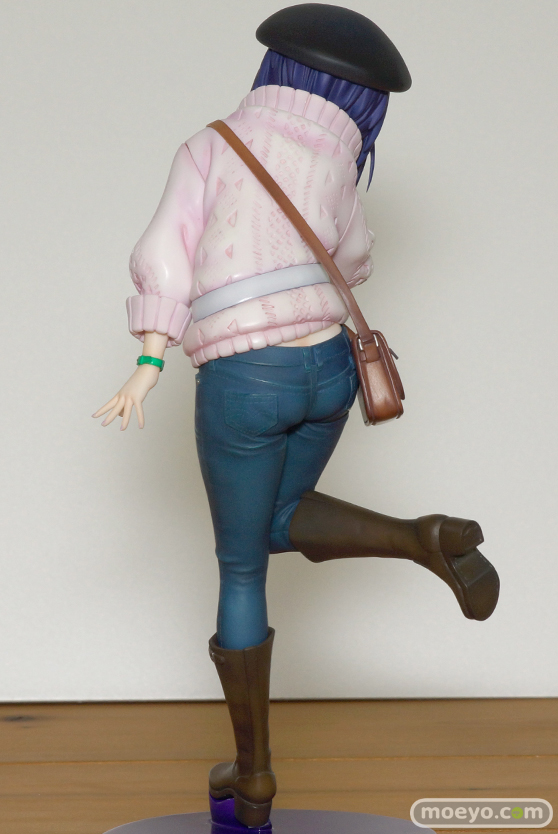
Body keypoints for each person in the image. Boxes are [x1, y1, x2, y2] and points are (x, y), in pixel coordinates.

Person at [93, 5, 499, 829]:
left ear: (276, 67)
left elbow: (166, 256)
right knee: (282, 516)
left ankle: (254, 776)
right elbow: (355, 258)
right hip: (330, 372)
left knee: (243, 566)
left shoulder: (211, 146)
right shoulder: (340, 159)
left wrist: (148, 362)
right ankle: (421, 538)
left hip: (247, 375)